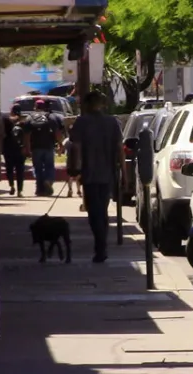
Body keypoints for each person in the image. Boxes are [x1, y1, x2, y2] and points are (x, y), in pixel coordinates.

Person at [69, 91, 125, 263]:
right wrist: (125, 173)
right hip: (108, 174)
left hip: (90, 174)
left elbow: (76, 148)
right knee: (103, 211)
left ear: (87, 104)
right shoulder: (112, 122)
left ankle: (100, 247)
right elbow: (120, 149)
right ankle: (102, 246)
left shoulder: (82, 122)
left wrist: (76, 169)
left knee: (94, 213)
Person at [23, 99, 63, 196]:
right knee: (49, 166)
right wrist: (60, 144)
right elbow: (57, 132)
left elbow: (27, 135)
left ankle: (39, 189)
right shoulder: (51, 117)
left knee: (38, 168)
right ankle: (48, 180)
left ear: (35, 107)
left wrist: (27, 148)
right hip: (49, 146)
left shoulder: (29, 118)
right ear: (44, 107)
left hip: (36, 147)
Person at [3, 105, 26, 197]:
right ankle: (19, 191)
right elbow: (26, 137)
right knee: (20, 170)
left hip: (8, 148)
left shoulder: (6, 120)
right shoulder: (23, 123)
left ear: (11, 111)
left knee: (9, 169)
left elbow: (2, 133)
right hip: (19, 149)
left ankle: (11, 186)